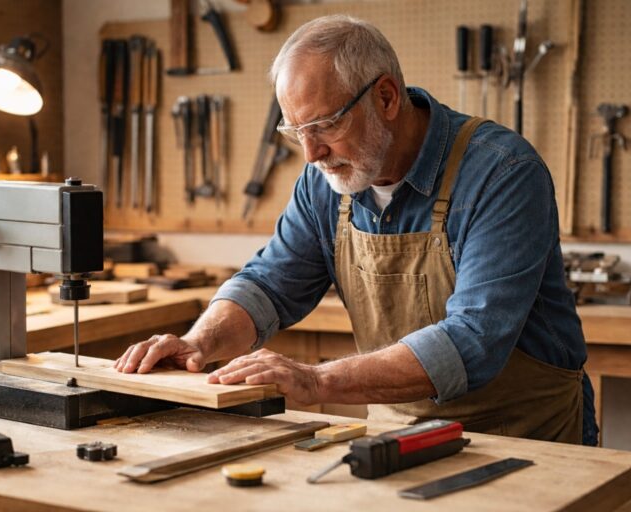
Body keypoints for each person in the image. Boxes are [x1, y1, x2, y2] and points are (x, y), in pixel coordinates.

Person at [115, 15, 598, 445]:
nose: (311, 154)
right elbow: (268, 284)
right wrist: (200, 343)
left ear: (386, 97)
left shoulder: (502, 172)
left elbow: (474, 341)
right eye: (295, 132)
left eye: (324, 125)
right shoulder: (326, 180)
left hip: (524, 440)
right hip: (397, 437)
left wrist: (317, 381)